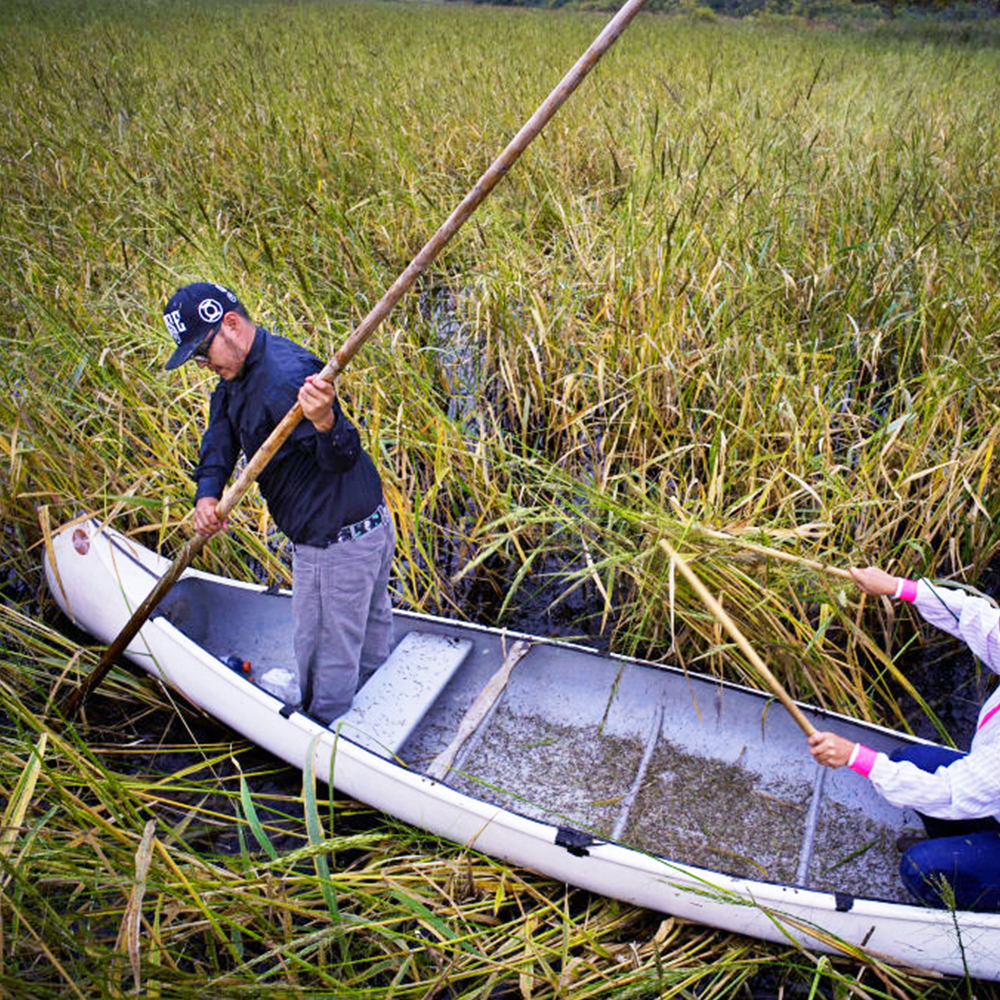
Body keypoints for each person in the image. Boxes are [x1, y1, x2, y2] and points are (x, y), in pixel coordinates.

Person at [162, 281, 395, 725]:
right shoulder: (236, 375)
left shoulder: (286, 376)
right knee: (366, 633)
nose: (202, 364)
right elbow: (221, 433)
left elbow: (342, 457)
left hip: (337, 547)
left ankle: (326, 738)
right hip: (368, 531)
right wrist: (208, 492)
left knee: (324, 655)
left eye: (201, 352)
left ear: (230, 325)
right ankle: (369, 707)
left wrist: (326, 419)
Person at [808, 566, 1000, 912]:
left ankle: (977, 909)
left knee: (920, 868)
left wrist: (855, 756)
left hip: (982, 789)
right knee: (909, 761)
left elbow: (948, 792)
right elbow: (984, 624)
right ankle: (965, 846)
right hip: (992, 798)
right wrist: (899, 587)